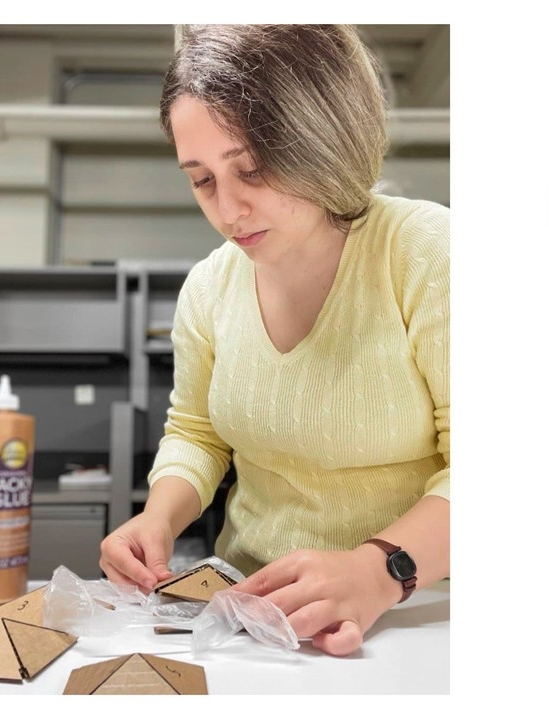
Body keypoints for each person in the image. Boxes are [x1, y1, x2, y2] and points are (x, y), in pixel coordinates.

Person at [98, 24, 449, 657]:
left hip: (420, 614)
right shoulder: (209, 288)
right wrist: (159, 517)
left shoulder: (424, 253)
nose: (228, 211)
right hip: (251, 613)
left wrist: (377, 570)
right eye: (202, 179)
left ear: (322, 141)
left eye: (252, 169)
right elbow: (197, 433)